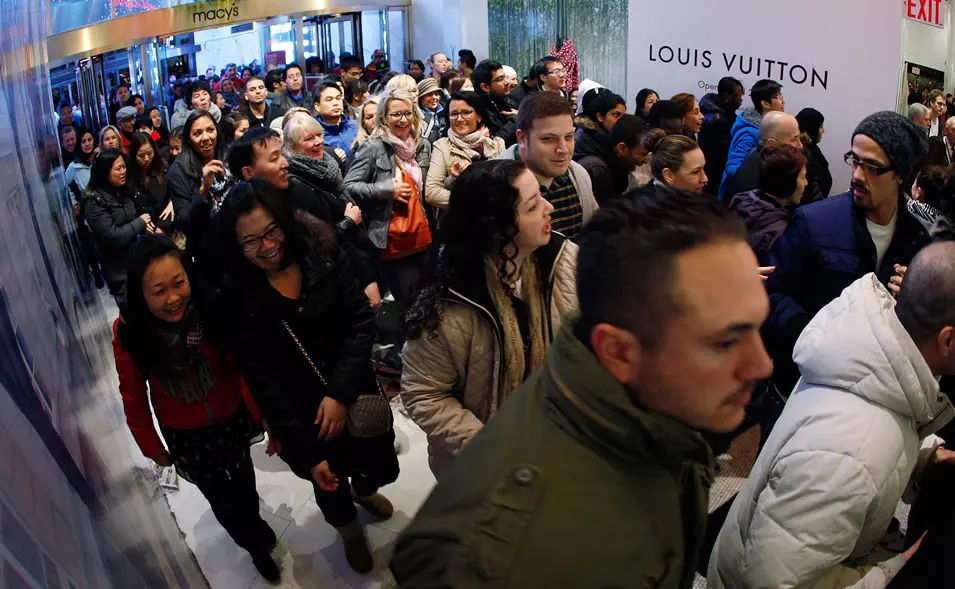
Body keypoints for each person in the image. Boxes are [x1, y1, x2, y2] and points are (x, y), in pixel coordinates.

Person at [391, 186, 774, 586]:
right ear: (620, 352)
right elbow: (424, 392)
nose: (761, 364)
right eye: (725, 341)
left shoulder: (656, 413)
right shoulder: (505, 556)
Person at [709, 242, 955, 589]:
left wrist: (925, 457)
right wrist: (886, 575)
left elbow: (886, 425)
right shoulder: (847, 453)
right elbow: (776, 584)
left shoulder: (876, 356)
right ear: (947, 341)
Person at [220, 179, 399, 575]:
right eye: (250, 241)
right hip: (303, 412)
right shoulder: (239, 297)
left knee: (374, 461)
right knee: (328, 480)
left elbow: (358, 323)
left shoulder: (323, 250)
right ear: (236, 245)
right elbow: (264, 378)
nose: (266, 247)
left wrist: (338, 393)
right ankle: (350, 532)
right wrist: (306, 447)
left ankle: (365, 491)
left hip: (352, 388)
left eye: (271, 231)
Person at [112, 235, 280, 582]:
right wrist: (154, 449)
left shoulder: (208, 308)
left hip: (231, 415)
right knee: (221, 499)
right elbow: (132, 396)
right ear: (141, 295)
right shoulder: (131, 332)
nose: (173, 298)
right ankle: (251, 545)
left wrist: (260, 413)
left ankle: (254, 522)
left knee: (245, 481)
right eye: (159, 291)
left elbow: (239, 364)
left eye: (178, 283)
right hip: (186, 434)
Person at [402, 159, 576, 475]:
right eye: (533, 205)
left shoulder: (563, 259)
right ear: (497, 229)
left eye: (542, 196)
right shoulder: (449, 305)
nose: (549, 208)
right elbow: (423, 394)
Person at [765, 111, 931, 397]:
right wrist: (811, 337)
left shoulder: (918, 240)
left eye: (872, 167)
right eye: (855, 160)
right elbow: (773, 294)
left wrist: (913, 301)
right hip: (805, 388)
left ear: (901, 175)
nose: (856, 175)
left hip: (874, 394)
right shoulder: (813, 222)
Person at [231, 125, 380, 308]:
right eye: (274, 159)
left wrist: (368, 280)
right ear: (248, 172)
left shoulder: (298, 189)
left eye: (282, 155)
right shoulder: (234, 216)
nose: (285, 163)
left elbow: (335, 241)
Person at [344, 87, 432, 322]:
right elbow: (349, 186)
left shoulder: (422, 145)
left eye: (407, 113)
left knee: (427, 301)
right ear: (384, 116)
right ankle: (407, 354)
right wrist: (386, 190)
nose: (403, 120)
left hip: (423, 235)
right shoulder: (373, 147)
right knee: (411, 303)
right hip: (392, 237)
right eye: (396, 114)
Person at [497, 91, 597, 240]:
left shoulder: (578, 174)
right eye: (549, 139)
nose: (563, 149)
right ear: (522, 139)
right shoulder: (495, 186)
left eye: (569, 137)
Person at [165, 110, 233, 285]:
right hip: (208, 255)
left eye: (210, 130)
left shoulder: (228, 154)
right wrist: (203, 189)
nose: (205, 138)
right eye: (197, 133)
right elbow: (184, 222)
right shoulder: (178, 171)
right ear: (188, 139)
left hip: (239, 243)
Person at [85, 148, 155, 301]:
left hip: (139, 263)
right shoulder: (95, 203)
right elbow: (112, 237)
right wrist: (140, 223)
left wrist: (146, 225)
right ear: (105, 171)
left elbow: (142, 212)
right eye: (118, 168)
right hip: (121, 274)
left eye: (124, 167)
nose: (123, 171)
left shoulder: (125, 190)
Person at [425, 91, 506, 210]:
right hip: (459, 220)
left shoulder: (497, 144)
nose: (459, 119)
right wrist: (470, 201)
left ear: (479, 116)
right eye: (454, 114)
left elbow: (507, 183)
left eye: (466, 113)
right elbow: (432, 192)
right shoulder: (442, 146)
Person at [728, 144, 808, 263]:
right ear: (788, 183)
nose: (806, 183)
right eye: (802, 178)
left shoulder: (741, 201)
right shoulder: (778, 233)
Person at [720, 79, 785, 201]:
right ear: (765, 103)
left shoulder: (766, 127)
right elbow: (733, 168)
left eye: (781, 96)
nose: (783, 101)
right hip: (739, 201)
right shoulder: (749, 133)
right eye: (777, 97)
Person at [722, 111, 804, 200]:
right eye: (794, 139)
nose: (800, 145)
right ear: (771, 144)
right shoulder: (756, 182)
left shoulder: (762, 161)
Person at [65, 129, 106, 290]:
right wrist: (75, 201)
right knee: (92, 244)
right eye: (83, 141)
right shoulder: (73, 167)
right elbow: (66, 185)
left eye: (90, 140)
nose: (87, 144)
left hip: (105, 205)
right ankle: (97, 272)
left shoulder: (100, 158)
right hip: (88, 210)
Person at [576, 114, 649, 203]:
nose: (646, 160)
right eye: (643, 154)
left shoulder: (614, 164)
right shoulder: (598, 171)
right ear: (621, 148)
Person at [699, 77, 744, 195]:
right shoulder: (717, 121)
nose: (741, 100)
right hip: (712, 176)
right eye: (738, 96)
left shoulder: (724, 114)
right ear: (726, 97)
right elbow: (720, 156)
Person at [128, 132, 175, 235]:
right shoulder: (128, 176)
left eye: (150, 153)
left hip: (166, 222)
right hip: (144, 227)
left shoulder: (162, 168)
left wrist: (172, 201)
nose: (146, 159)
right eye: (141, 155)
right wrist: (140, 223)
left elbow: (173, 193)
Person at [471, 59, 518, 146]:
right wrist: (515, 119)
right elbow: (494, 143)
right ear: (485, 87)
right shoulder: (477, 109)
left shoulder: (507, 100)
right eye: (500, 79)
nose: (507, 82)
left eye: (505, 77)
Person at [643, 130, 708, 192]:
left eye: (703, 168)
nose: (705, 179)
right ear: (668, 175)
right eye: (695, 172)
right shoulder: (647, 202)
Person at [313, 80, 359, 159]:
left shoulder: (357, 126)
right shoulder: (313, 134)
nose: (335, 103)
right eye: (329, 99)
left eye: (338, 98)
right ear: (317, 106)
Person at [794, 107, 832, 202]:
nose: (823, 131)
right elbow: (811, 193)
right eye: (820, 127)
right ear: (811, 128)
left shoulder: (812, 148)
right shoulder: (802, 155)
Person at [416, 78, 449, 146]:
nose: (434, 97)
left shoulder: (446, 112)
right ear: (421, 98)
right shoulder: (417, 116)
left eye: (436, 94)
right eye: (429, 95)